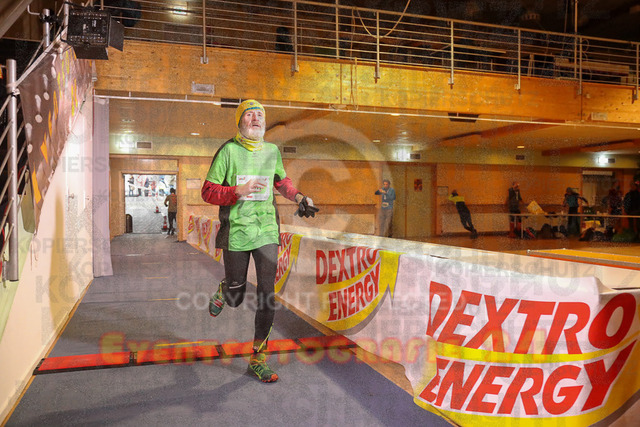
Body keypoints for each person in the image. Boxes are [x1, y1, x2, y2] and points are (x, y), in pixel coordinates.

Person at [201, 99, 318, 383]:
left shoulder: (272, 151)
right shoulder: (229, 150)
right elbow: (207, 191)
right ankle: (226, 288)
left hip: (266, 230)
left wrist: (299, 197)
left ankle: (258, 357)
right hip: (237, 231)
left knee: (267, 294)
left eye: (260, 115)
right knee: (236, 297)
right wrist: (236, 191)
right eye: (249, 115)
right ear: (239, 121)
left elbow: (281, 182)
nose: (255, 119)